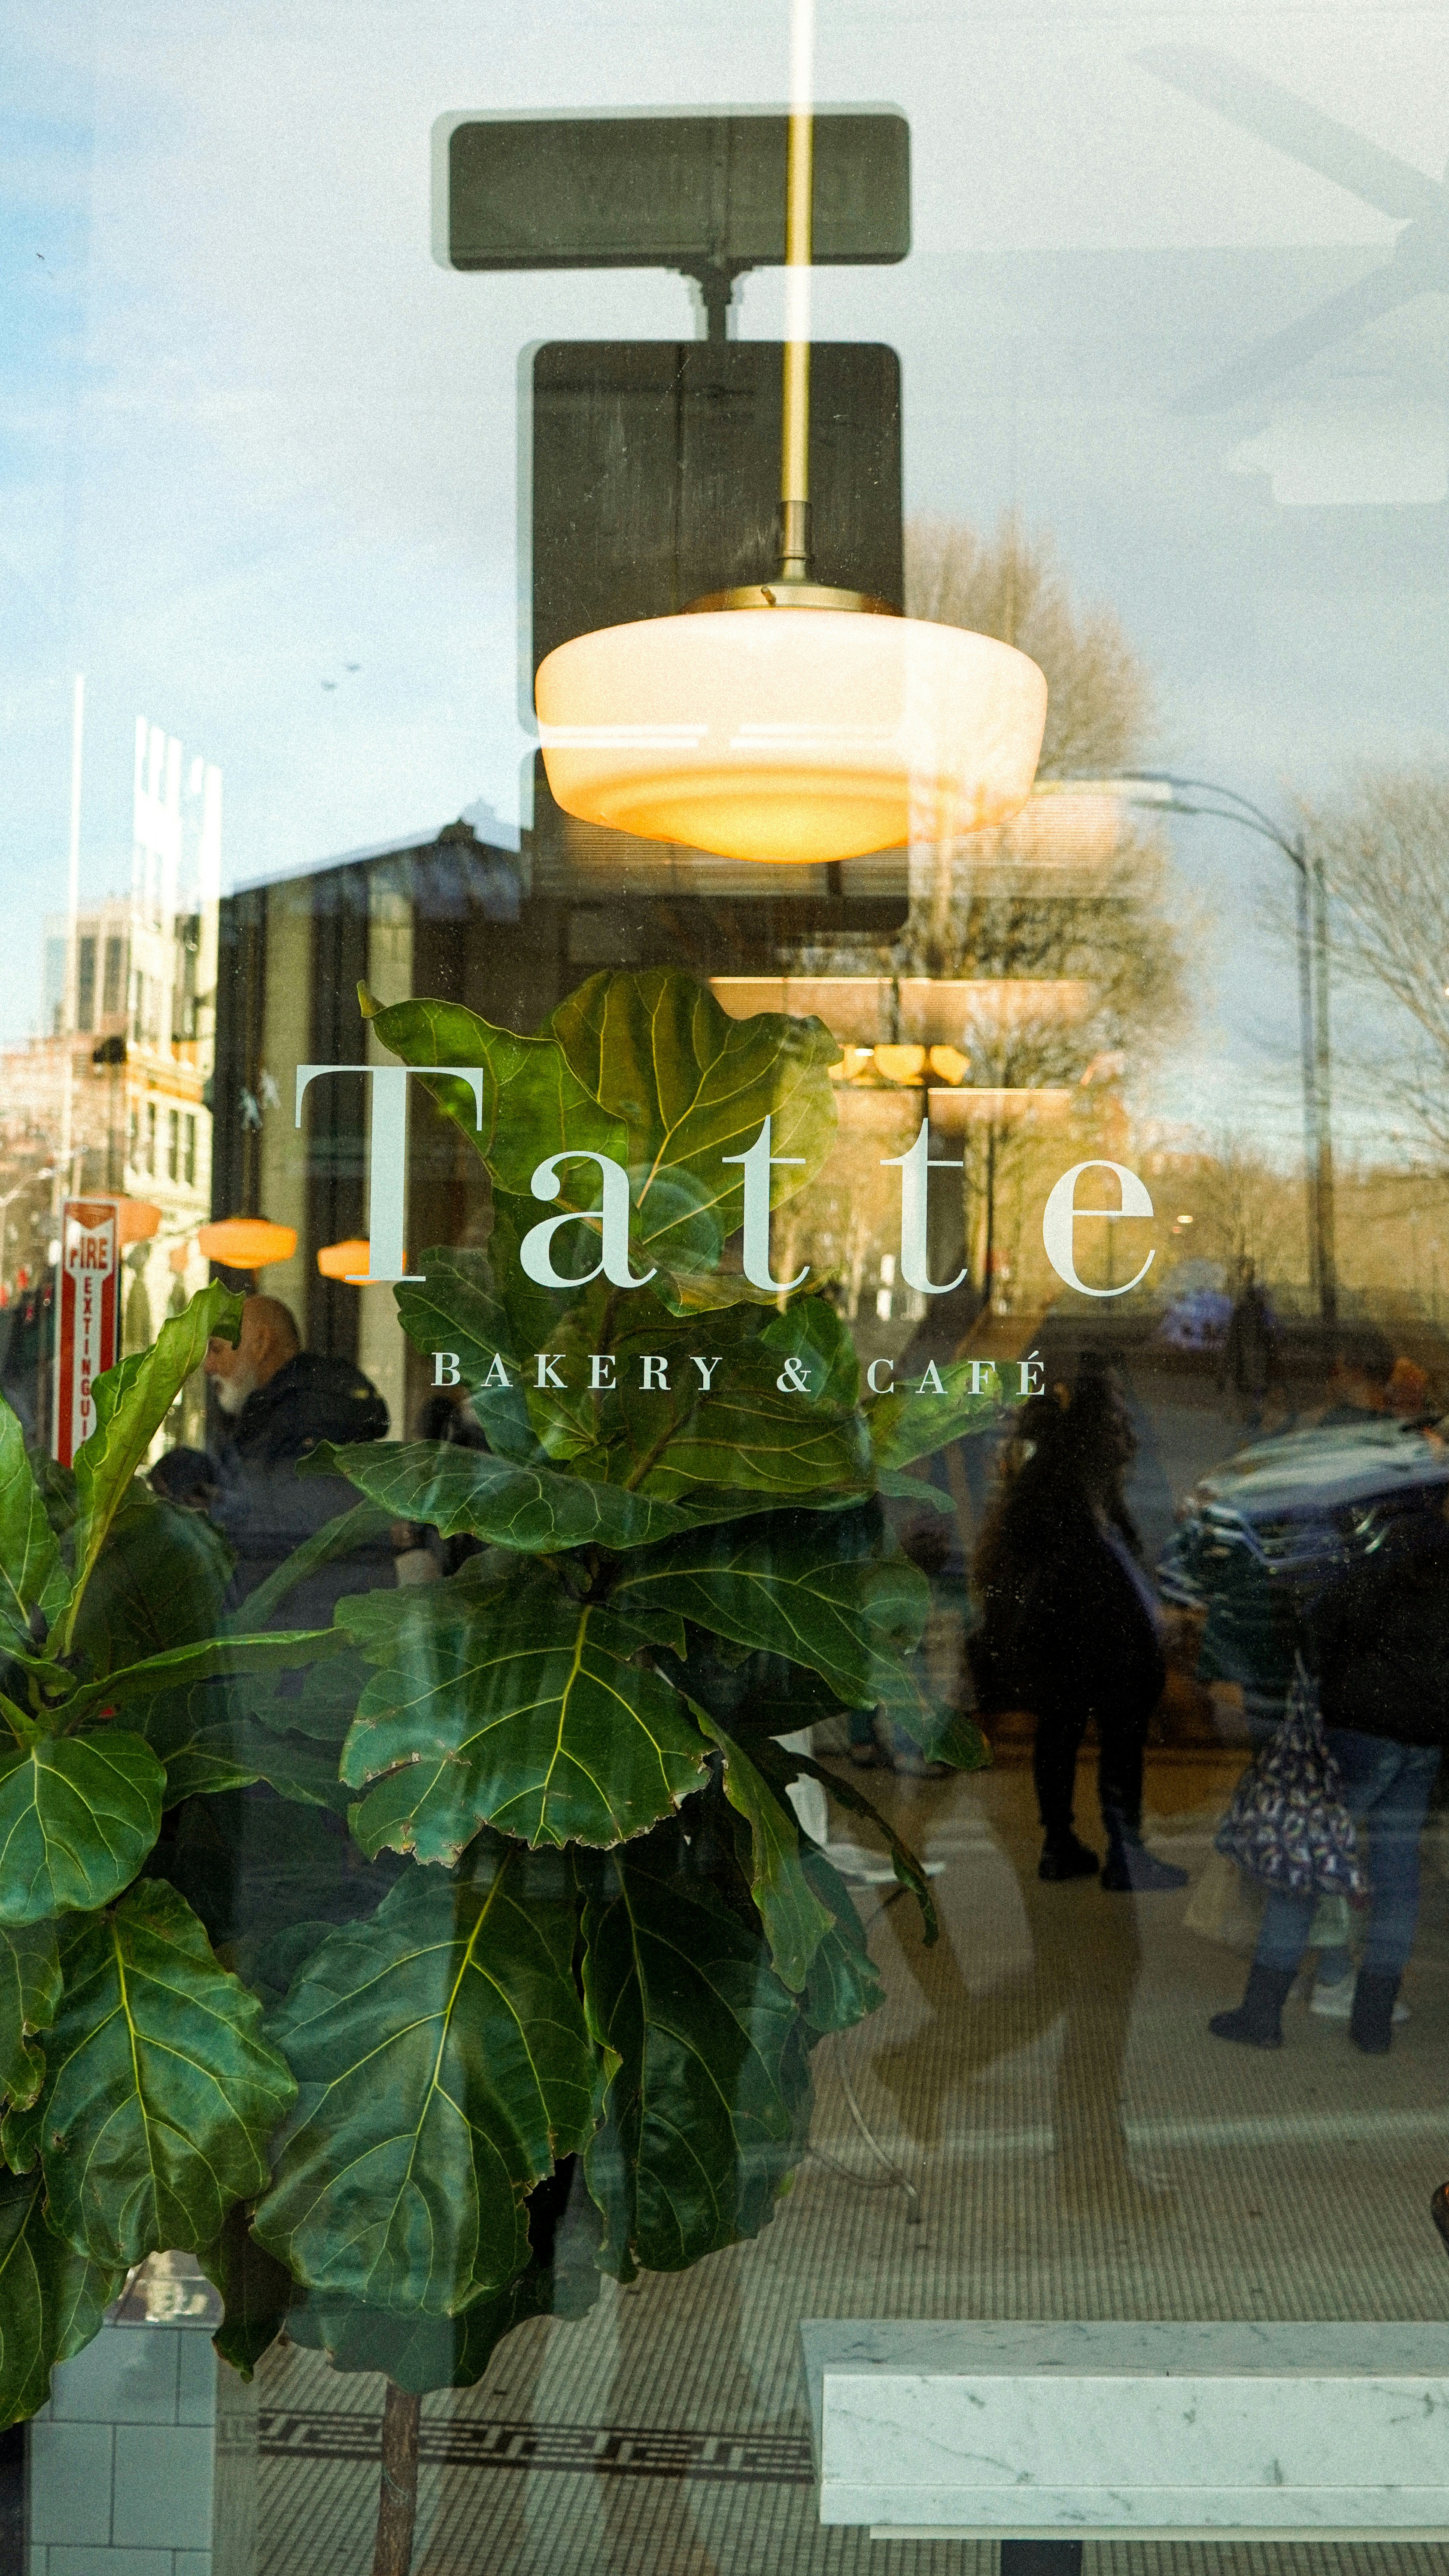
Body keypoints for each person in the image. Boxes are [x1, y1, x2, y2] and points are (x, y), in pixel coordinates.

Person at [1209, 1491, 1449, 2055]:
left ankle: (1261, 2013)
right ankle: (1371, 2024)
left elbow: (1317, 1629)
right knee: (1396, 1876)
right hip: (1425, 1736)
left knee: (1305, 1866)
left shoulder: (1381, 1554)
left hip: (1358, 1730)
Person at [969, 1367, 1188, 1892]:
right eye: (1117, 1423)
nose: (1129, 1437)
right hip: (1083, 1636)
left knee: (1069, 1731)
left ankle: (1077, 1843)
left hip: (1073, 1637)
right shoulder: (1070, 1489)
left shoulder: (1076, 1484)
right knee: (1098, 1733)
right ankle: (1111, 1848)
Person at [200, 1293, 393, 1620]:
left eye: (217, 1349)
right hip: (344, 1616)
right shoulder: (308, 1414)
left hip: (299, 1628)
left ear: (260, 1345)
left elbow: (267, 1536)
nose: (208, 1366)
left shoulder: (288, 1424)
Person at [1219, 1260, 1279, 1432]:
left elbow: (1272, 1333)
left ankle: (1252, 1418)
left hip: (1253, 1358)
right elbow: (1232, 1341)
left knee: (1254, 1390)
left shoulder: (1258, 1312)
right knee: (1248, 1392)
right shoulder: (1244, 1312)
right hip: (1246, 1360)